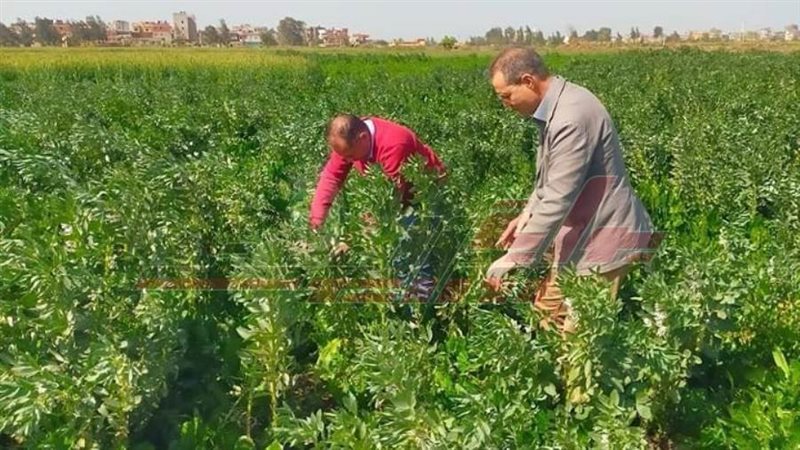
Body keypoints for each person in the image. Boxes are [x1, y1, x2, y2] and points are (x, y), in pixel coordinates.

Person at [484, 47, 659, 332]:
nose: (506, 104)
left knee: (582, 342)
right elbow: (550, 179)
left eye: (506, 96)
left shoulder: (570, 117)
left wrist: (515, 257)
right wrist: (528, 213)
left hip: (603, 241)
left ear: (528, 81)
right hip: (579, 237)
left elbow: (558, 197)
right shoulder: (556, 107)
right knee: (546, 317)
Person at [310, 114, 447, 300]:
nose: (348, 160)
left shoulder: (395, 143)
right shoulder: (348, 143)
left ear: (363, 138)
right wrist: (316, 223)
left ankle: (421, 307)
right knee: (390, 251)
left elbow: (388, 202)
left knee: (410, 252)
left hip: (424, 196)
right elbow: (332, 177)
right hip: (397, 198)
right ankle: (403, 298)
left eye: (350, 156)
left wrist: (353, 240)